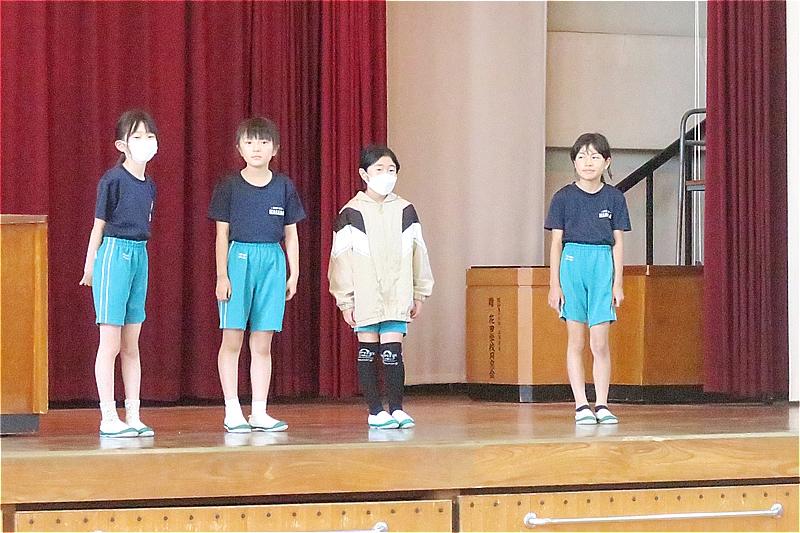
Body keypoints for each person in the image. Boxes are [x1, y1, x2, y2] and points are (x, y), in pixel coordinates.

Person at [208, 117, 305, 433]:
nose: (256, 148)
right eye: (249, 142)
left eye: (263, 142)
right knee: (232, 337)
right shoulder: (229, 186)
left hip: (273, 261)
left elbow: (291, 234)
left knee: (263, 342)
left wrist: (294, 273)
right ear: (239, 148)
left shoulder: (284, 186)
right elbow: (221, 235)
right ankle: (232, 409)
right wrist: (222, 276)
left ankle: (260, 411)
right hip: (239, 259)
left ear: (275, 149)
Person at [328, 145, 434, 429]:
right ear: (364, 174)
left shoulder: (405, 210)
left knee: (392, 351)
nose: (386, 175)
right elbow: (340, 259)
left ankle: (397, 408)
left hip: (398, 292)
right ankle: (375, 410)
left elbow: (419, 253)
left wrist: (419, 292)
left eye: (391, 170)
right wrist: (345, 300)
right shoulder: (351, 212)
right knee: (368, 350)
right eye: (379, 169)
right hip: (365, 295)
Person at [80, 109, 159, 438]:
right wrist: (90, 265)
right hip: (114, 254)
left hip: (140, 254)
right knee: (109, 342)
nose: (145, 142)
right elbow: (98, 226)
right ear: (121, 145)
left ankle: (133, 414)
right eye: (137, 137)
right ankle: (108, 416)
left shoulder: (150, 185)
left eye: (149, 136)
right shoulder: (112, 180)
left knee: (131, 344)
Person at [545, 133, 631, 425]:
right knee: (576, 340)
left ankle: (602, 403)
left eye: (595, 156)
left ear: (607, 162)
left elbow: (618, 243)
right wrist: (554, 284)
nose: (588, 162)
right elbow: (556, 243)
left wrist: (618, 283)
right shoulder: (563, 198)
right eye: (581, 156)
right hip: (572, 263)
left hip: (602, 264)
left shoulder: (614, 198)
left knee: (599, 342)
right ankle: (581, 404)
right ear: (574, 162)